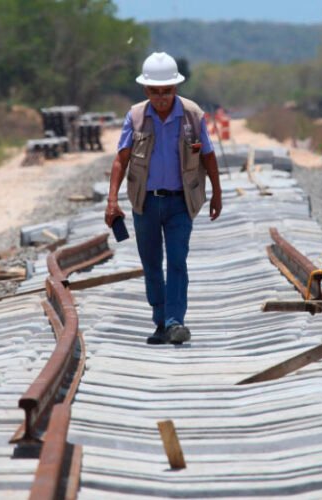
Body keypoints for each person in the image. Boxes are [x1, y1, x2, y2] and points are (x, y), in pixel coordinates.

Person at [105, 52, 223, 345]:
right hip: (145, 203)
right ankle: (161, 321)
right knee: (152, 263)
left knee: (178, 260)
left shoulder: (193, 115)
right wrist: (112, 200)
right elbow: (121, 159)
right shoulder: (135, 116)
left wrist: (217, 194)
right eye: (155, 92)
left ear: (176, 89)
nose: (161, 97)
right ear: (146, 90)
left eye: (167, 91)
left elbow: (208, 155)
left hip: (180, 203)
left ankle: (175, 322)